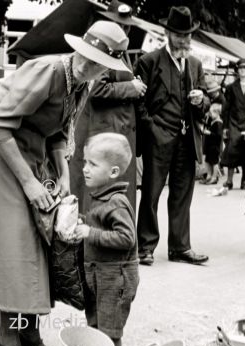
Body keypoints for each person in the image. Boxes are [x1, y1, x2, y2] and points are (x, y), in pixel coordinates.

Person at [0, 20, 131, 346]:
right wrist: (31, 184)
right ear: (80, 49)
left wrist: (62, 173)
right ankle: (7, 342)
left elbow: (58, 131)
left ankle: (29, 334)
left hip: (29, 144)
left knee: (40, 241)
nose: (89, 65)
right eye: (87, 57)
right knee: (17, 246)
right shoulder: (47, 71)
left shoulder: (84, 83)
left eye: (99, 63)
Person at [134, 6, 209, 266]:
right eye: (179, 35)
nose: (185, 40)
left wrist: (201, 101)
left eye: (188, 35)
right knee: (151, 194)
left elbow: (207, 103)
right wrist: (153, 130)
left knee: (182, 195)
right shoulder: (149, 62)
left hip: (187, 141)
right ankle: (145, 247)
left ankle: (179, 247)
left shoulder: (195, 64)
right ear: (167, 33)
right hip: (158, 139)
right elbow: (139, 103)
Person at [70, 0, 147, 212]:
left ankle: (116, 238)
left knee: (117, 193)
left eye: (126, 26)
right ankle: (105, 239)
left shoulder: (119, 49)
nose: (122, 29)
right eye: (117, 24)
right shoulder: (103, 50)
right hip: (105, 132)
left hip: (117, 131)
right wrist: (131, 88)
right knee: (104, 193)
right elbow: (96, 90)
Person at [73, 133, 138, 346]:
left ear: (113, 172)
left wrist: (90, 233)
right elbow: (99, 226)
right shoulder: (100, 196)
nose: (85, 169)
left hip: (115, 279)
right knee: (95, 325)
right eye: (85, 162)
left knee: (109, 331)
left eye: (93, 164)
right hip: (98, 275)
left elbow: (127, 238)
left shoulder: (116, 202)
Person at [220, 58, 245, 190]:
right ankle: (229, 180)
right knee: (232, 149)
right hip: (234, 123)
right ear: (237, 71)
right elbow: (226, 108)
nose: (242, 71)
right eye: (240, 69)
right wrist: (225, 127)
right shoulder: (231, 87)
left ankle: (244, 181)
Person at [202, 103, 223, 185]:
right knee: (208, 161)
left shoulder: (218, 123)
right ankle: (209, 176)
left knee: (214, 162)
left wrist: (209, 133)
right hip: (210, 146)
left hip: (214, 146)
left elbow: (218, 136)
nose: (210, 115)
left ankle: (214, 177)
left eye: (211, 113)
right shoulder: (213, 121)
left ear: (217, 113)